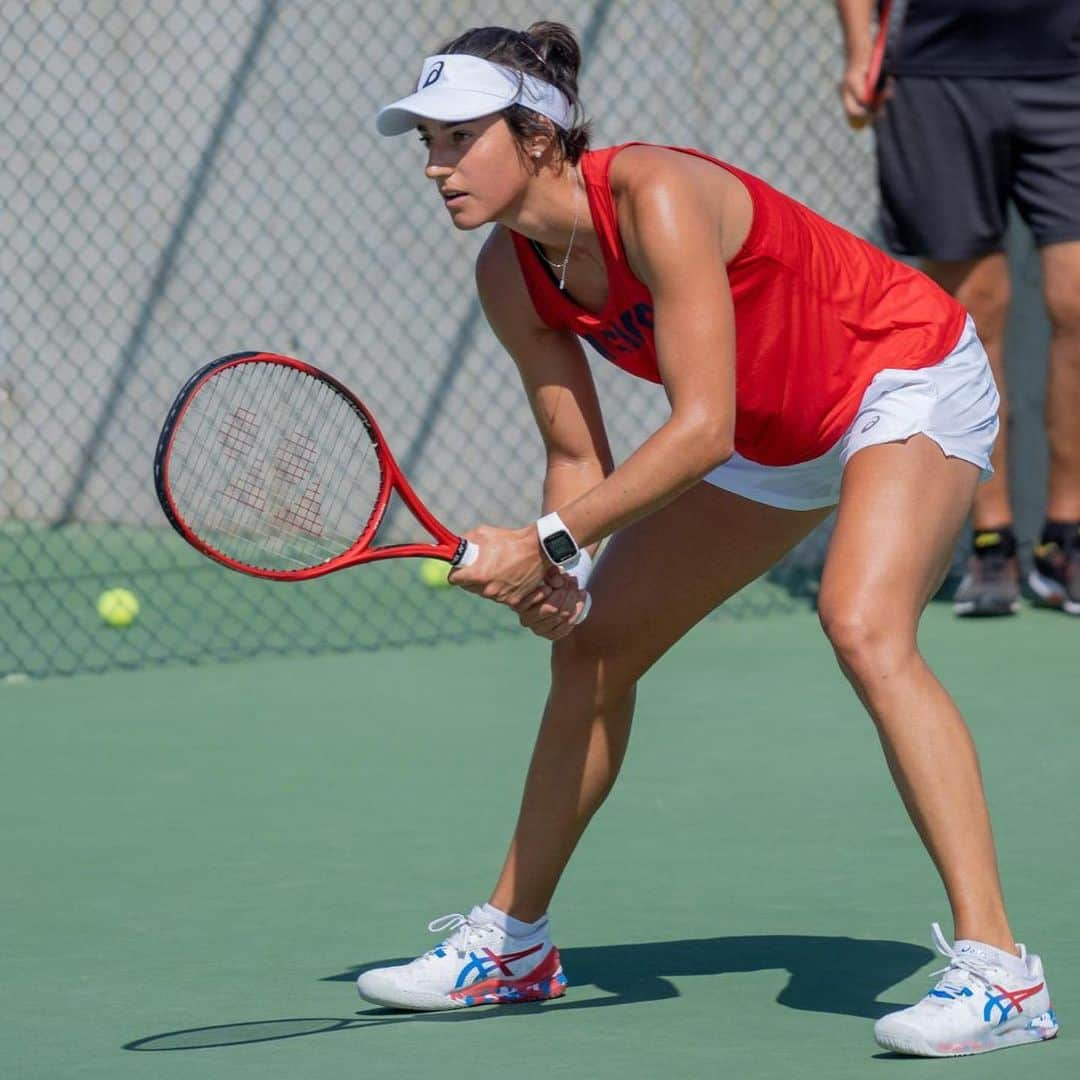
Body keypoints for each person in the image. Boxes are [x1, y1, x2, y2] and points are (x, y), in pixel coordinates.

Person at [360, 21, 1059, 1058]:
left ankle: (1003, 975)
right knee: (593, 648)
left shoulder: (657, 198)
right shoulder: (513, 275)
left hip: (898, 376)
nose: (435, 165)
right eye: (426, 141)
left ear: (538, 135)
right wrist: (568, 568)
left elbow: (698, 431)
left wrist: (544, 542)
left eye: (460, 138)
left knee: (864, 623)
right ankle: (511, 947)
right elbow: (575, 451)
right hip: (773, 430)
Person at [837, 0, 1080, 617]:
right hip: (935, 75)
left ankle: (1066, 540)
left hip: (1066, 72)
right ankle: (991, 540)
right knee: (973, 315)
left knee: (1076, 303)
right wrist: (862, 51)